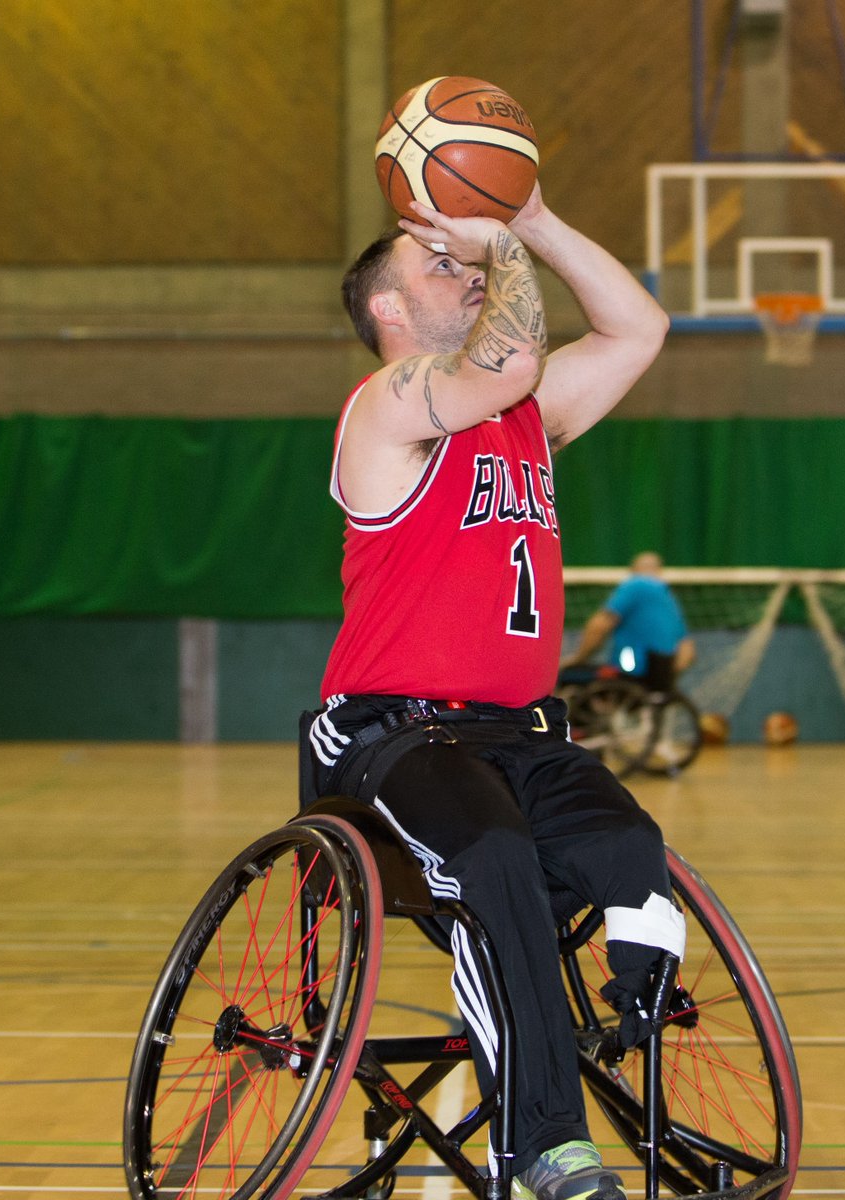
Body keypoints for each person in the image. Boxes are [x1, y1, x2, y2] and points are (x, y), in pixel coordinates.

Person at [305, 182, 684, 1200]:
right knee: (496, 860)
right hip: (395, 737)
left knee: (628, 846)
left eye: (470, 263)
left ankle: (609, 1018)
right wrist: (498, 244)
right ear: (387, 308)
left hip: (521, 734)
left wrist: (535, 223)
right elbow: (509, 358)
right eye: (440, 266)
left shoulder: (524, 418)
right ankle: (541, 1146)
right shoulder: (386, 406)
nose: (468, 271)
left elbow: (639, 329)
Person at [562, 551, 696, 687]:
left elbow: (599, 626)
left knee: (565, 674)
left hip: (628, 675)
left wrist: (579, 658)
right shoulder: (669, 599)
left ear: (632, 569)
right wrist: (663, 683)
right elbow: (687, 652)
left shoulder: (636, 584)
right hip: (656, 680)